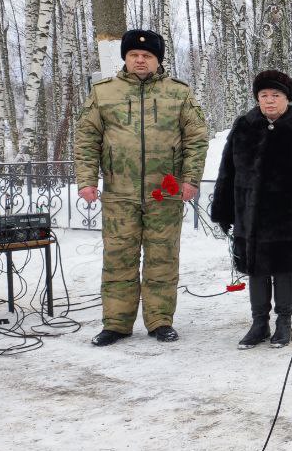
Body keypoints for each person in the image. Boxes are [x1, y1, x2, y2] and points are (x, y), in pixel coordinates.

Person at [75, 29, 208, 346]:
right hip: (119, 193)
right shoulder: (104, 93)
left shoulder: (178, 93)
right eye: (134, 54)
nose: (140, 60)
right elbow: (86, 139)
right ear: (125, 57)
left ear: (157, 60)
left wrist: (190, 179)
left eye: (147, 56)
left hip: (165, 193)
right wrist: (87, 180)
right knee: (118, 259)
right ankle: (117, 323)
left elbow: (196, 139)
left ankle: (160, 320)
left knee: (162, 259)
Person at [211, 70, 292, 350]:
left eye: (275, 95)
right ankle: (259, 323)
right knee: (256, 269)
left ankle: (283, 323)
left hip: (289, 215)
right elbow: (226, 171)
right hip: (249, 215)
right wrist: (223, 209)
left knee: (284, 269)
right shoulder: (244, 127)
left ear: (287, 98)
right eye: (264, 96)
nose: (269, 101)